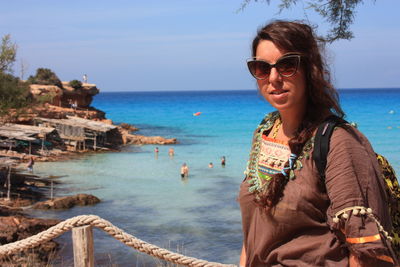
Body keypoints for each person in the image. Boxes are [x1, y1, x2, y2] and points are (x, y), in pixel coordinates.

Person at [238, 20, 398, 267]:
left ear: (310, 68)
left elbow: (366, 252)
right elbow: (254, 233)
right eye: (261, 67)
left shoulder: (339, 142)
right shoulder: (264, 133)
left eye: (287, 65)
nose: (273, 78)